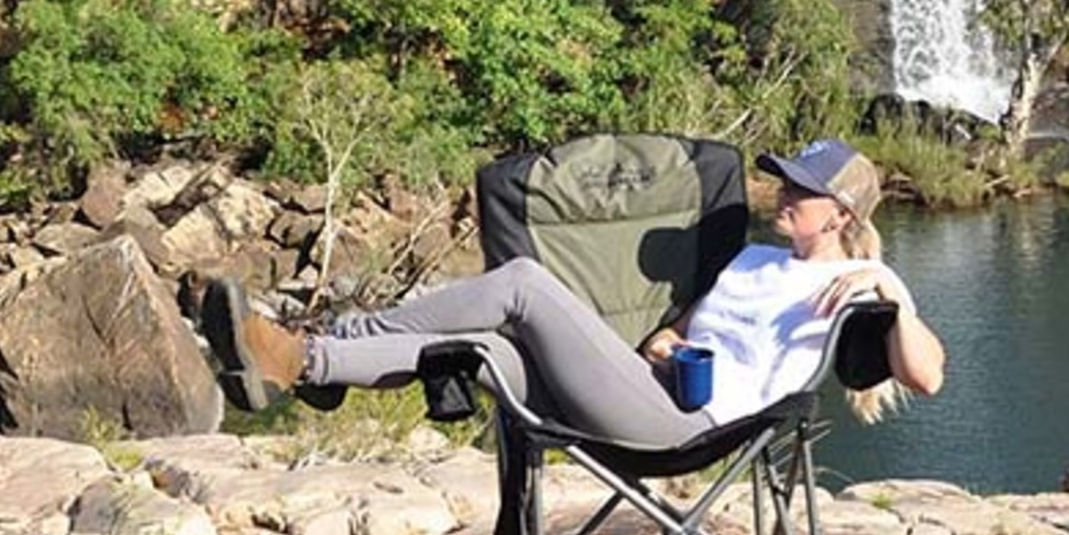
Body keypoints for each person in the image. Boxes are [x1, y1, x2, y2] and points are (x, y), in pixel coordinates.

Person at [202, 139, 945, 450]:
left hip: (693, 427)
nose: (782, 192)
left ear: (839, 214)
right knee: (484, 347)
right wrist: (667, 344)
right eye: (782, 180)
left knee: (524, 284)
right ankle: (311, 364)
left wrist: (894, 292)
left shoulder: (854, 286)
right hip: (648, 385)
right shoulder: (751, 258)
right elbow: (674, 332)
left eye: (800, 189)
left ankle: (332, 339)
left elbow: (927, 375)